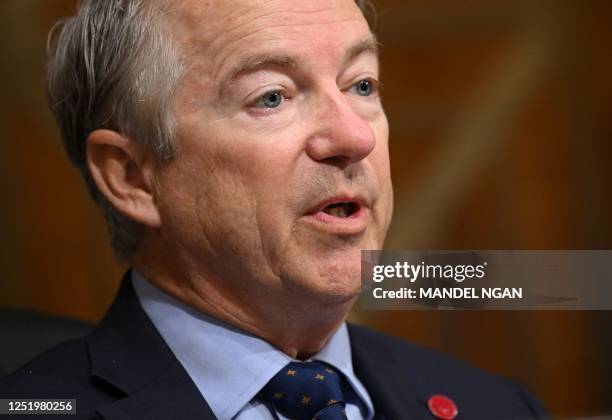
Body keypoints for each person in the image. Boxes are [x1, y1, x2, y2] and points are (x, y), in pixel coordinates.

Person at [0, 0, 547, 419]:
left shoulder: (494, 405)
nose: (354, 137)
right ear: (132, 176)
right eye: (271, 96)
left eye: (361, 84)